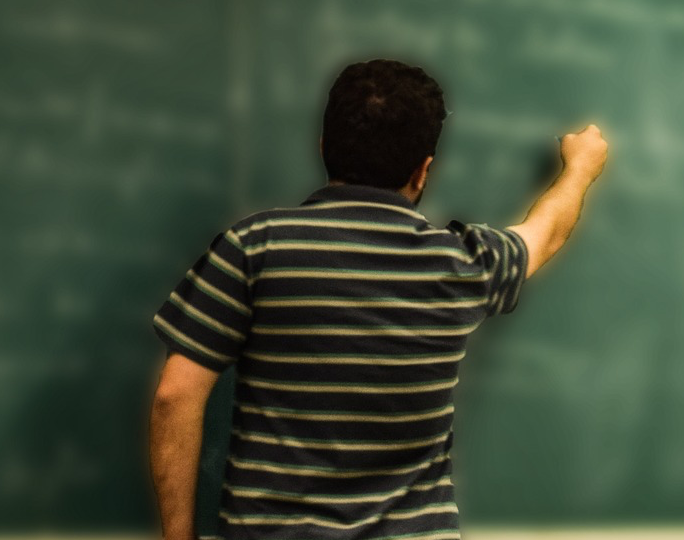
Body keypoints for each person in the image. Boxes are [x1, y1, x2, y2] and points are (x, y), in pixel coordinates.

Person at [146, 59, 608, 540]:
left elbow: (175, 395)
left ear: (324, 147)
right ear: (423, 169)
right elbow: (546, 233)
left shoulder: (254, 247)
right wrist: (581, 168)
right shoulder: (463, 262)